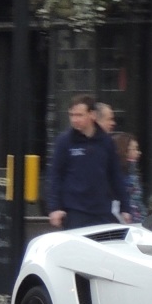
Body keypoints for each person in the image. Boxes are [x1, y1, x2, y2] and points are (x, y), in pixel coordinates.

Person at [45, 93, 132, 229]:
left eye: (79, 115)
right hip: (75, 211)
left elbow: (115, 176)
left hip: (102, 210)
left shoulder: (106, 142)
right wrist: (55, 207)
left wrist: (125, 207)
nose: (74, 120)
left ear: (92, 115)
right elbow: (55, 175)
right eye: (71, 115)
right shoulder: (65, 142)